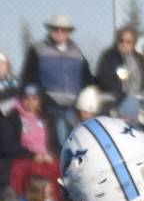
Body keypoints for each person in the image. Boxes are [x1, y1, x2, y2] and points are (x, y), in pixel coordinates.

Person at [21, 14, 95, 146]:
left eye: (64, 30)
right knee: (60, 141)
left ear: (69, 32)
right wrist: (41, 98)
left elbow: (87, 78)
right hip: (49, 104)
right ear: (50, 30)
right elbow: (29, 77)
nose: (60, 32)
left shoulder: (78, 51)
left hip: (74, 105)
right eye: (56, 29)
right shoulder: (38, 49)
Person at [5, 84, 61, 196]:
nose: (30, 102)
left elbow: (55, 144)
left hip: (46, 158)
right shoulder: (13, 118)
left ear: (39, 101)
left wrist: (53, 155)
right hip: (25, 159)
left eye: (34, 99)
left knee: (59, 170)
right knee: (37, 172)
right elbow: (9, 146)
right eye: (26, 98)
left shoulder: (47, 118)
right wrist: (33, 156)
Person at [95, 26, 144, 121]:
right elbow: (103, 78)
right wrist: (121, 92)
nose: (124, 44)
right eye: (121, 41)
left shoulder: (139, 59)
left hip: (137, 97)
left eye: (128, 42)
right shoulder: (109, 57)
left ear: (134, 44)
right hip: (115, 96)